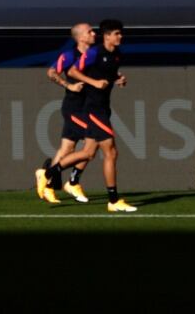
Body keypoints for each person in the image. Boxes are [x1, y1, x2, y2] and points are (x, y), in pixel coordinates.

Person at [53, 20, 136, 213]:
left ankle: (51, 173)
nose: (120, 37)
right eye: (117, 33)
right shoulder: (85, 53)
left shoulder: (115, 55)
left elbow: (108, 72)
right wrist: (78, 84)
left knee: (87, 152)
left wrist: (118, 79)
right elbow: (69, 71)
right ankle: (113, 200)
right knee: (110, 152)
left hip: (101, 107)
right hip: (89, 108)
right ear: (107, 35)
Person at [35, 23, 92, 204]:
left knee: (67, 149)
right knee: (96, 139)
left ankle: (47, 182)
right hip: (75, 108)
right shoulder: (69, 56)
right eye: (89, 31)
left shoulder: (95, 55)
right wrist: (69, 86)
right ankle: (73, 182)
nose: (93, 33)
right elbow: (51, 72)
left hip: (90, 107)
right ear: (81, 37)